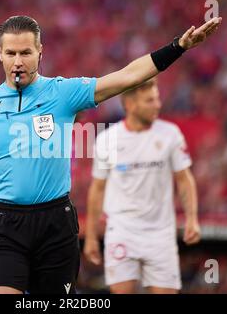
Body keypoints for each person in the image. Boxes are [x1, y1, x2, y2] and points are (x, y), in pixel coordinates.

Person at [0, 15, 221, 294]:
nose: (18, 61)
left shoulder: (63, 93)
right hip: (5, 226)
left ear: (40, 52)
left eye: (26, 52)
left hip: (55, 225)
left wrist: (178, 47)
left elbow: (126, 77)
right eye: (10, 53)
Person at [83, 77, 200, 294]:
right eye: (149, 101)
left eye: (157, 99)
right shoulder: (108, 139)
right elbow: (97, 189)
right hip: (122, 231)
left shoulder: (170, 134)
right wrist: (90, 237)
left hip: (161, 234)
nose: (157, 105)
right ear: (130, 105)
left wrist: (192, 218)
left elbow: (184, 179)